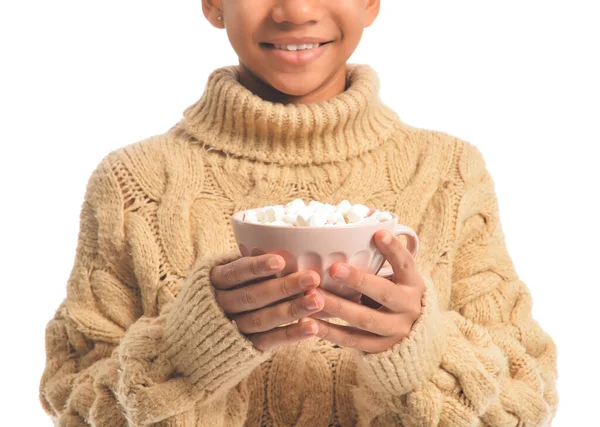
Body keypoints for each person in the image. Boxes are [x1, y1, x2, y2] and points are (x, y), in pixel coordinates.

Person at [39, 1, 558, 426]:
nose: (296, 10)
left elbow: (527, 401)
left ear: (373, 2)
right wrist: (185, 351)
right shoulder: (132, 182)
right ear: (213, 4)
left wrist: (420, 353)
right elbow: (73, 402)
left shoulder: (450, 171)